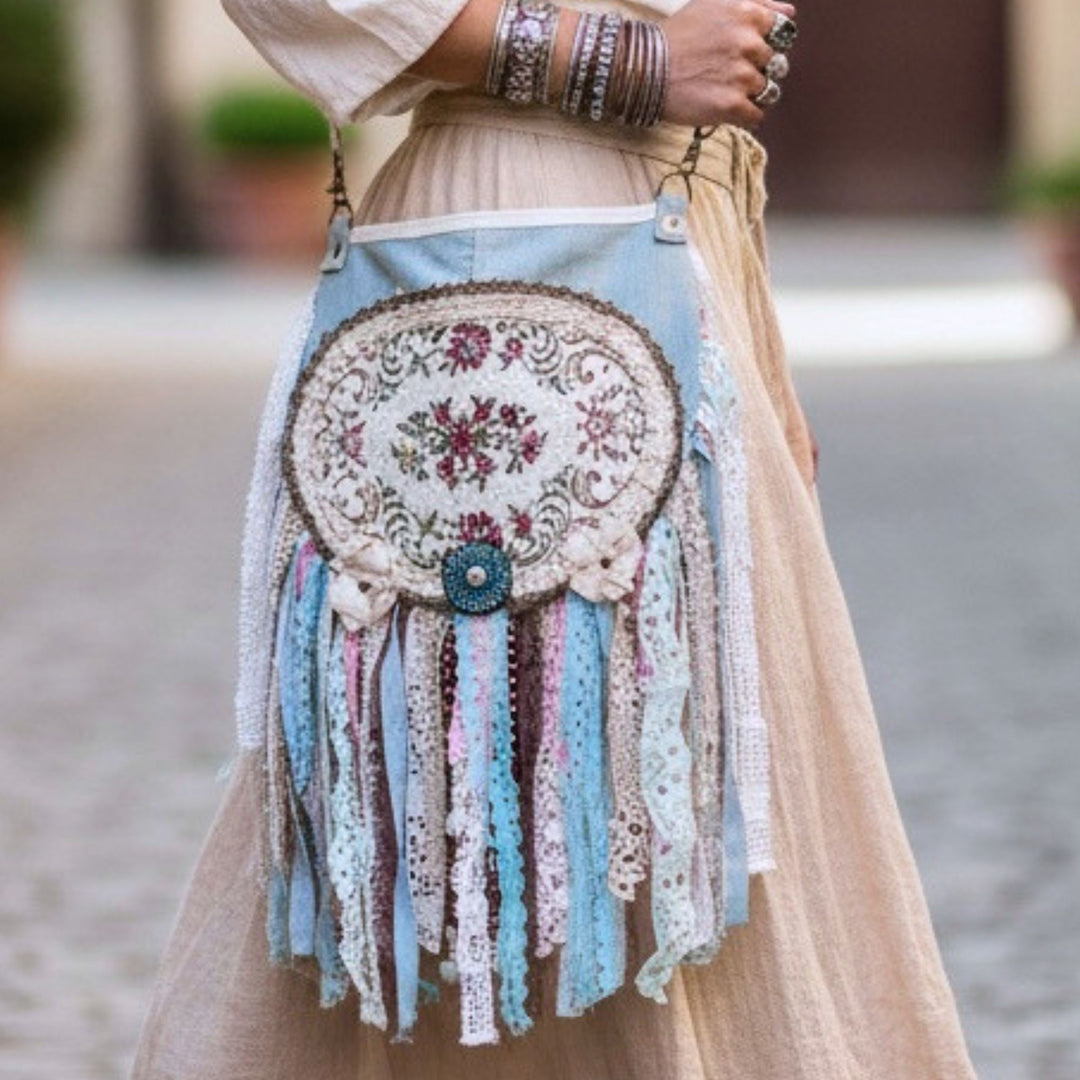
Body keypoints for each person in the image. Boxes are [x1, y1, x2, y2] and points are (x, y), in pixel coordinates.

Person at [130, 1, 980, 1077]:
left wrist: (763, 347)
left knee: (693, 793)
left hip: (671, 233)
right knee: (523, 792)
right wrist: (628, 58)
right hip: (524, 237)